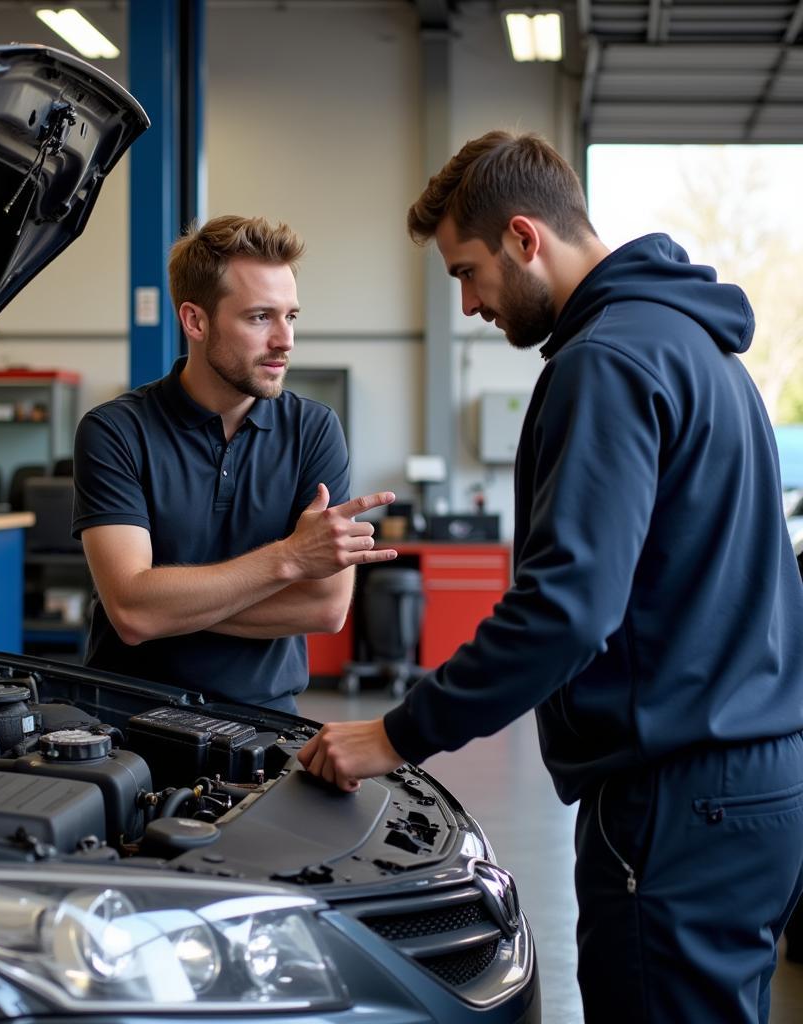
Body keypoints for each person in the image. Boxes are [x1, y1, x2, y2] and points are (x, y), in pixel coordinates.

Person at [299, 131, 803, 1023]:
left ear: (525, 239)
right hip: (754, 784)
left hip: (673, 798)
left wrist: (397, 735)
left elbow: (566, 611)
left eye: (467, 271)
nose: (467, 304)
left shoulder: (605, 361)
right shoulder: (697, 348)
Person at [72, 214, 396, 712]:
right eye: (259, 317)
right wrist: (288, 559)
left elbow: (325, 606)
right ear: (195, 321)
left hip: (266, 722)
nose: (285, 341)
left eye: (291, 316)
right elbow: (132, 613)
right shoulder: (115, 432)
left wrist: (170, 605)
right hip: (128, 721)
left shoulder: (314, 431)